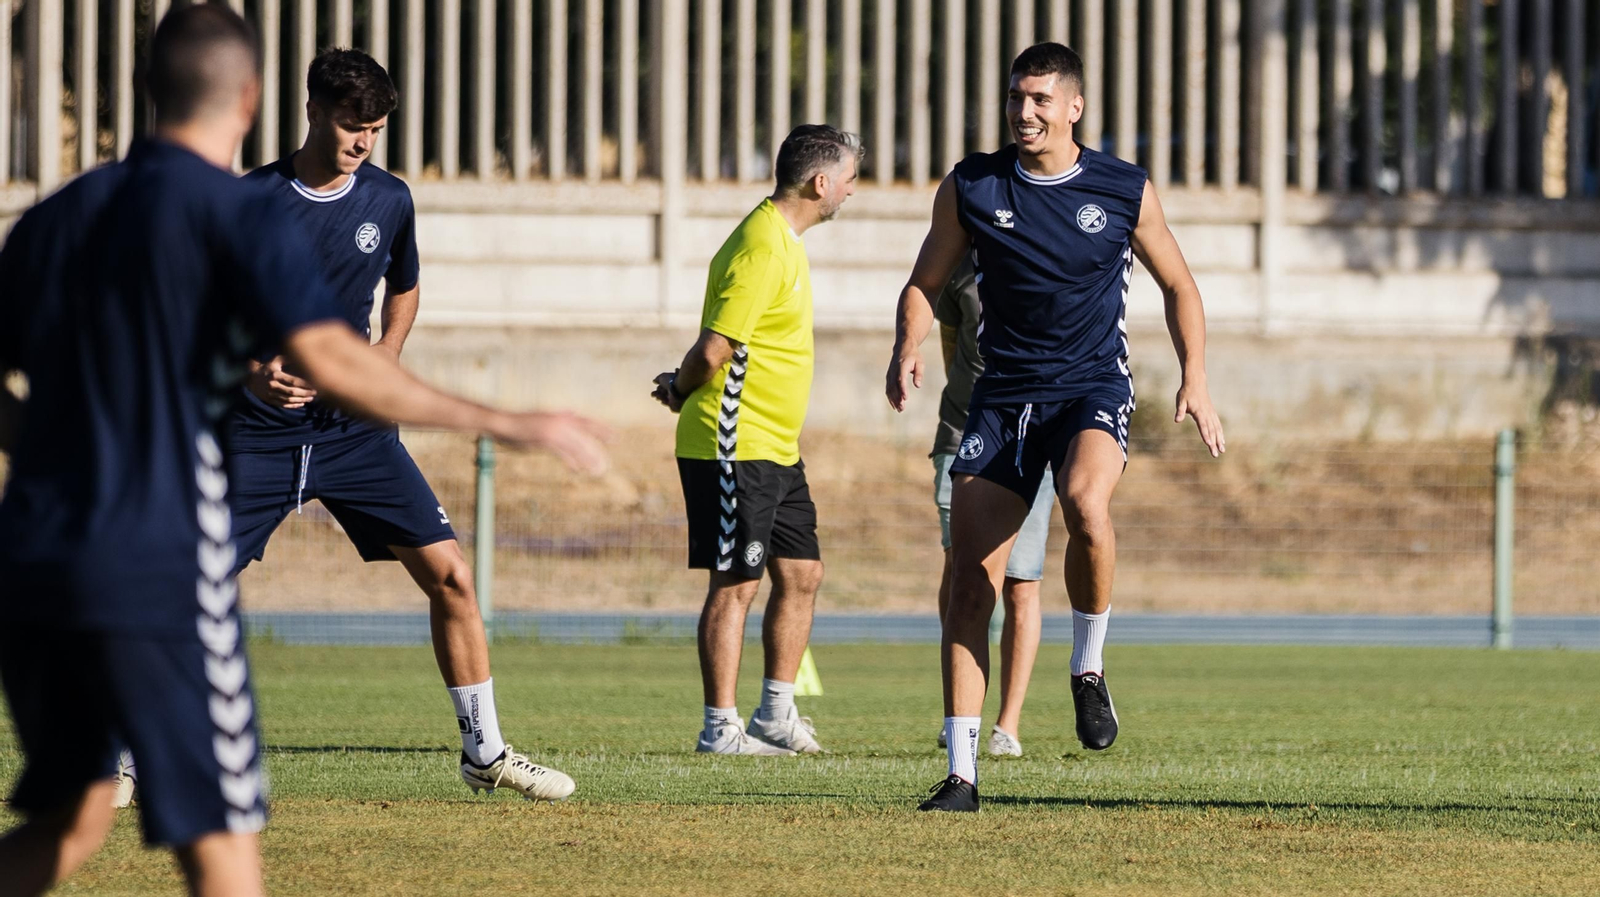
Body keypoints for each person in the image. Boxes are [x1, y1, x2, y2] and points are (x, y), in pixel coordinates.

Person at [0, 7, 607, 895]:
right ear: (252, 99)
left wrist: (57, 454)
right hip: (160, 543)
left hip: (38, 553)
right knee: (224, 851)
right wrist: (510, 421)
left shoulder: (53, 219)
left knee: (69, 821)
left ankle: (485, 749)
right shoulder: (237, 209)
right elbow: (326, 355)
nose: (363, 140)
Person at [886, 42, 1225, 812]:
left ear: (1073, 107)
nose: (1025, 111)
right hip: (1003, 398)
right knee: (971, 585)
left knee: (1085, 501)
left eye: (1041, 99)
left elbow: (1179, 283)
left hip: (1090, 389)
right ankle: (963, 775)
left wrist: (1195, 376)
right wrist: (906, 344)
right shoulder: (973, 185)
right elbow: (924, 281)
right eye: (1016, 98)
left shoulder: (1121, 186)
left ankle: (1088, 668)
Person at [651, 124, 860, 755]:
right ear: (821, 182)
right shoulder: (763, 248)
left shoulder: (785, 242)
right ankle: (720, 728)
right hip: (732, 445)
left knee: (802, 573)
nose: (851, 193)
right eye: (849, 180)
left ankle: (775, 714)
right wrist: (681, 389)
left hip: (775, 448)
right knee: (735, 583)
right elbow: (715, 347)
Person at [930, 257, 1054, 759]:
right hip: (962, 433)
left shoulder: (1046, 257)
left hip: (1034, 433)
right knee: (961, 570)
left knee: (1022, 584)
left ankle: (1007, 724)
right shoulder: (957, 268)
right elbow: (950, 343)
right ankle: (961, 715)